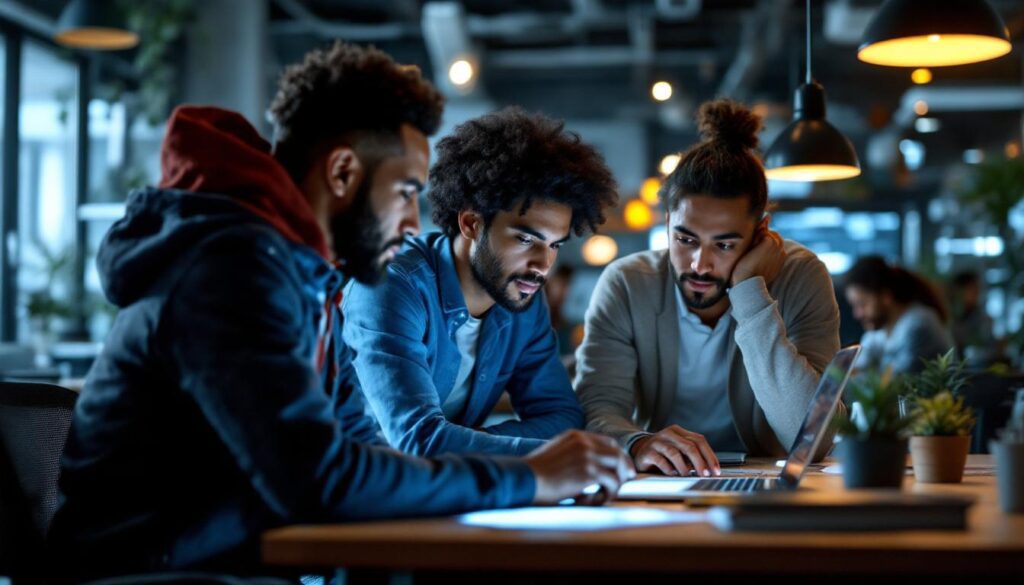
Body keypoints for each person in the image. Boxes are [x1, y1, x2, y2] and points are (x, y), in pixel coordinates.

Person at [46, 42, 633, 582]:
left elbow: (362, 451)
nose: (412, 222)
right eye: (404, 192)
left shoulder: (305, 278)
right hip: (153, 574)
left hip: (233, 565)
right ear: (343, 172)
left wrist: (529, 473)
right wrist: (531, 475)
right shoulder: (232, 272)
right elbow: (321, 477)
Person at [575, 99, 841, 478]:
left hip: (766, 478)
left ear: (761, 233)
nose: (700, 264)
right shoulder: (627, 284)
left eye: (724, 244)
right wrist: (637, 443)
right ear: (667, 222)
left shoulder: (801, 276)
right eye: (685, 239)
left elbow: (814, 438)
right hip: (663, 482)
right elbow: (596, 410)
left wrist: (750, 293)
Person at [343, 108, 618, 456]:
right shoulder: (390, 286)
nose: (543, 266)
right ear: (472, 223)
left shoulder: (523, 299)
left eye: (554, 245)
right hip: (344, 483)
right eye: (525, 239)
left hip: (442, 482)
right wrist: (483, 446)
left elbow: (561, 417)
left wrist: (467, 440)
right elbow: (417, 439)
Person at [844, 255, 953, 374]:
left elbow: (897, 380)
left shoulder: (918, 325)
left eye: (862, 304)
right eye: (854, 306)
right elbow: (858, 366)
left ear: (886, 297)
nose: (857, 314)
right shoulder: (879, 332)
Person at [949, 270, 996, 365]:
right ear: (959, 291)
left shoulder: (982, 317)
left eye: (978, 290)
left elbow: (989, 347)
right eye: (973, 290)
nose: (977, 294)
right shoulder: (949, 315)